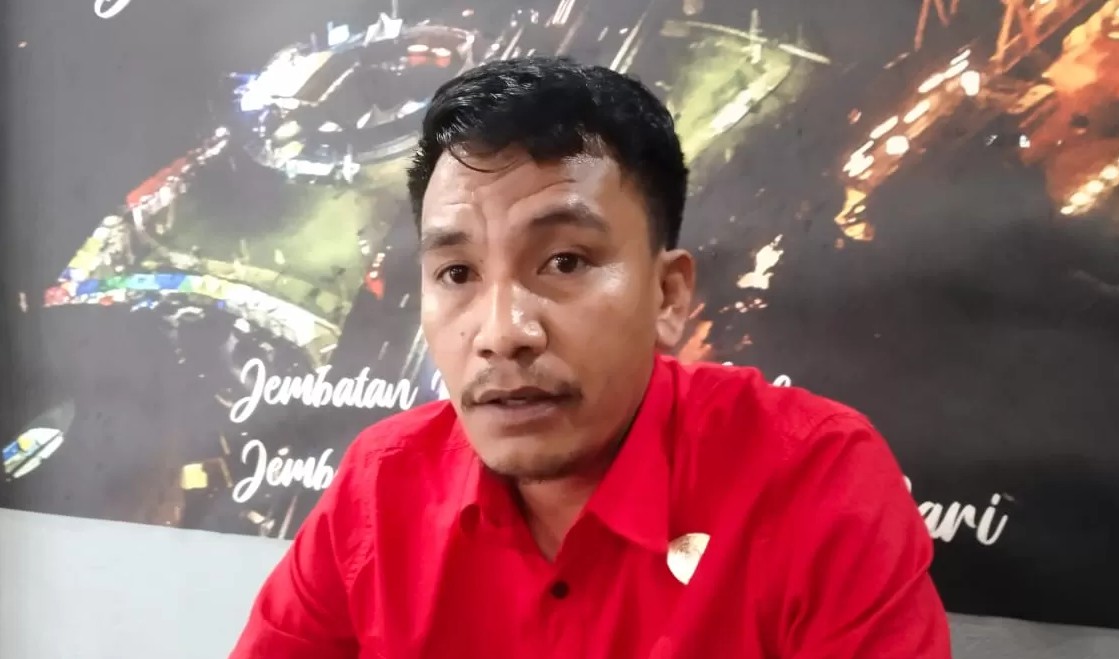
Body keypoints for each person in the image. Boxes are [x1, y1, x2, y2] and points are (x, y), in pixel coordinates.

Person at [231, 56, 951, 658]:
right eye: (457, 272)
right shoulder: (381, 487)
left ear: (667, 295)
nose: (503, 332)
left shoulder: (814, 481)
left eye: (565, 261)